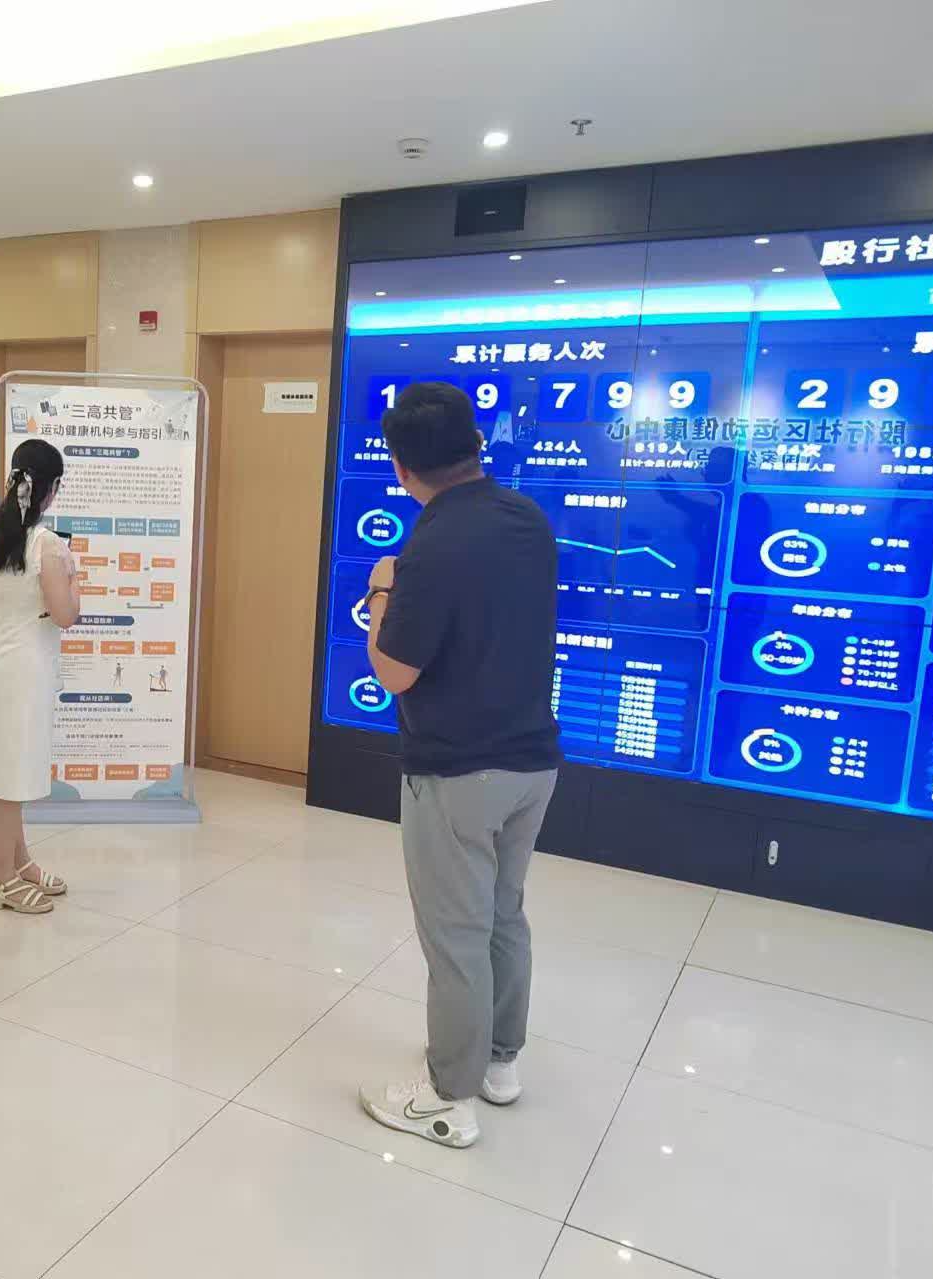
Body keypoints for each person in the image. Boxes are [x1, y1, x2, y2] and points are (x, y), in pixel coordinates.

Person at [357, 381, 561, 1151]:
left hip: (457, 772)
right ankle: (499, 1062)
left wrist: (382, 589)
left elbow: (394, 671)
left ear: (402, 466)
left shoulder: (430, 545)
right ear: (475, 445)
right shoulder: (527, 518)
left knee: (456, 934)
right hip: (533, 763)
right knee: (504, 914)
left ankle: (448, 1098)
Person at [0, 439, 79, 915]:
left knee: (9, 772)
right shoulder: (48, 545)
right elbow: (65, 615)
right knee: (8, 781)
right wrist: (74, 582)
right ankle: (2, 880)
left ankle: (21, 861)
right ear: (50, 489)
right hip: (24, 671)